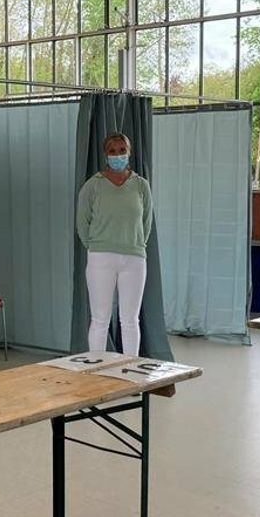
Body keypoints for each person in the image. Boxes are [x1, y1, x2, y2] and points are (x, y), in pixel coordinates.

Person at [76, 132, 153, 357]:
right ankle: (97, 368)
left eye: (122, 151)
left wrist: (136, 244)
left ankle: (130, 368)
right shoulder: (93, 186)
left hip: (134, 258)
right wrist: (95, 245)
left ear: (129, 153)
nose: (118, 155)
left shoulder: (141, 186)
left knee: (130, 319)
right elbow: (82, 222)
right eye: (113, 151)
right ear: (105, 154)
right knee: (100, 318)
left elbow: (147, 221)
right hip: (101, 257)